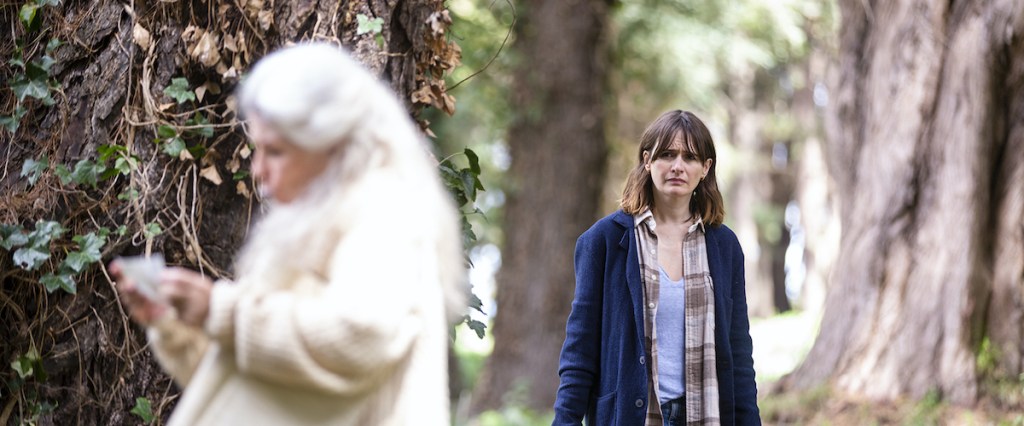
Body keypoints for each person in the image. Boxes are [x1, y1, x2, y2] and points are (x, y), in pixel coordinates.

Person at [111, 43, 466, 425]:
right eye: (258, 149)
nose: (259, 170)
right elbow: (250, 385)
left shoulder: (384, 217)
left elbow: (360, 337)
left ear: (331, 143)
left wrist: (220, 310)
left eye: (275, 151)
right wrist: (175, 323)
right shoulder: (314, 222)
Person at [553, 110, 760, 425]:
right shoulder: (604, 241)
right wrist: (565, 420)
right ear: (647, 161)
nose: (677, 166)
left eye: (690, 157)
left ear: (705, 169)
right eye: (667, 154)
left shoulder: (724, 246)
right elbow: (580, 349)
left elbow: (739, 354)